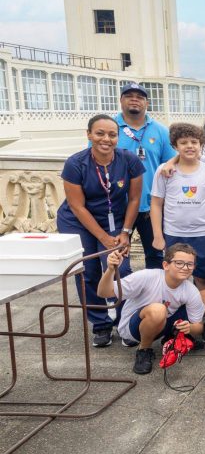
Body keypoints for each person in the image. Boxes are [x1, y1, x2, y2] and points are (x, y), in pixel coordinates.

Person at [58, 114, 145, 347]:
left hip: (113, 220)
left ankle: (126, 322)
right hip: (77, 221)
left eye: (112, 134)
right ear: (89, 135)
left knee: (121, 269)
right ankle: (101, 324)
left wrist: (125, 232)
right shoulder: (75, 163)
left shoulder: (129, 160)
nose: (106, 139)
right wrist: (103, 238)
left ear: (118, 137)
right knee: (88, 270)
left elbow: (134, 199)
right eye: (100, 133)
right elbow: (77, 206)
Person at [97, 243, 205, 375]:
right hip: (134, 327)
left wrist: (190, 328)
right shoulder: (147, 276)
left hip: (164, 322)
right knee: (158, 310)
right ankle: (144, 350)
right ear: (166, 265)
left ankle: (172, 336)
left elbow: (198, 326)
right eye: (179, 263)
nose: (185, 268)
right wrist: (110, 270)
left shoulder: (190, 289)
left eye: (190, 264)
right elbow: (104, 292)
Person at [150, 123, 205, 315]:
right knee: (175, 276)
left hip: (203, 233)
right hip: (174, 232)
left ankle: (202, 317)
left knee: (203, 277)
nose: (190, 146)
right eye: (184, 142)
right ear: (175, 146)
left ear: (201, 145)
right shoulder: (164, 170)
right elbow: (156, 204)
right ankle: (173, 315)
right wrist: (158, 236)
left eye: (194, 142)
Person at [113, 82, 174, 270]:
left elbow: (171, 164)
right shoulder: (111, 127)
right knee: (118, 260)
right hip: (118, 205)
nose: (134, 100)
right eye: (129, 96)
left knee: (156, 257)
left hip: (151, 206)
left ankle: (153, 290)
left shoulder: (161, 131)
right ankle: (123, 290)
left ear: (147, 103)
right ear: (121, 100)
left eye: (140, 97)